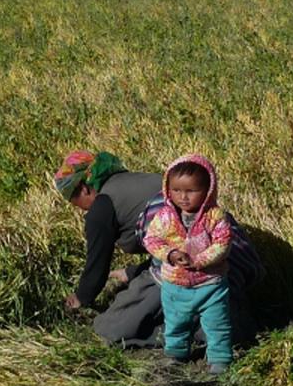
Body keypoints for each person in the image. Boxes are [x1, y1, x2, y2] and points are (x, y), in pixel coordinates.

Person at [55, 150, 165, 346]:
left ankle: (181, 334)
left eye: (74, 201)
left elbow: (98, 261)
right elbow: (167, 246)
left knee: (108, 328)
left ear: (83, 188)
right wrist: (132, 272)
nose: (79, 209)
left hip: (185, 269)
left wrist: (82, 297)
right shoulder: (132, 180)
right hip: (218, 251)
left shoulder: (102, 207)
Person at [143, 154, 233, 373]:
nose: (183, 197)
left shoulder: (215, 216)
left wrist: (200, 261)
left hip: (210, 284)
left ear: (208, 190)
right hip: (175, 283)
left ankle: (219, 358)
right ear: (168, 190)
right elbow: (151, 239)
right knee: (175, 322)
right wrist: (171, 254)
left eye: (191, 191)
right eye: (176, 190)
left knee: (217, 323)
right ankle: (176, 353)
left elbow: (223, 243)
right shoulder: (165, 216)